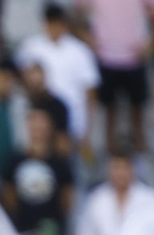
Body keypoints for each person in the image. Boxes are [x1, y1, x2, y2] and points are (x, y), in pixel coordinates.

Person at [15, 4, 101, 153]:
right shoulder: (31, 47)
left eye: (58, 23)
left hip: (72, 123)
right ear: (45, 22)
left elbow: (90, 92)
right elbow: (21, 79)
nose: (54, 27)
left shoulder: (80, 51)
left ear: (64, 23)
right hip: (39, 121)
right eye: (50, 22)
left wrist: (87, 131)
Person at [78, 0, 154, 155]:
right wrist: (88, 38)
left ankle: (139, 158)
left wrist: (149, 45)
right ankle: (111, 159)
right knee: (109, 113)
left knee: (137, 112)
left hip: (134, 58)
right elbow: (77, 12)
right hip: (106, 57)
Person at [1, 108, 75, 235]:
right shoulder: (15, 160)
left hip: (53, 234)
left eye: (42, 123)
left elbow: (67, 199)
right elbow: (8, 196)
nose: (38, 128)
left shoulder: (60, 162)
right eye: (34, 123)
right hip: (23, 232)